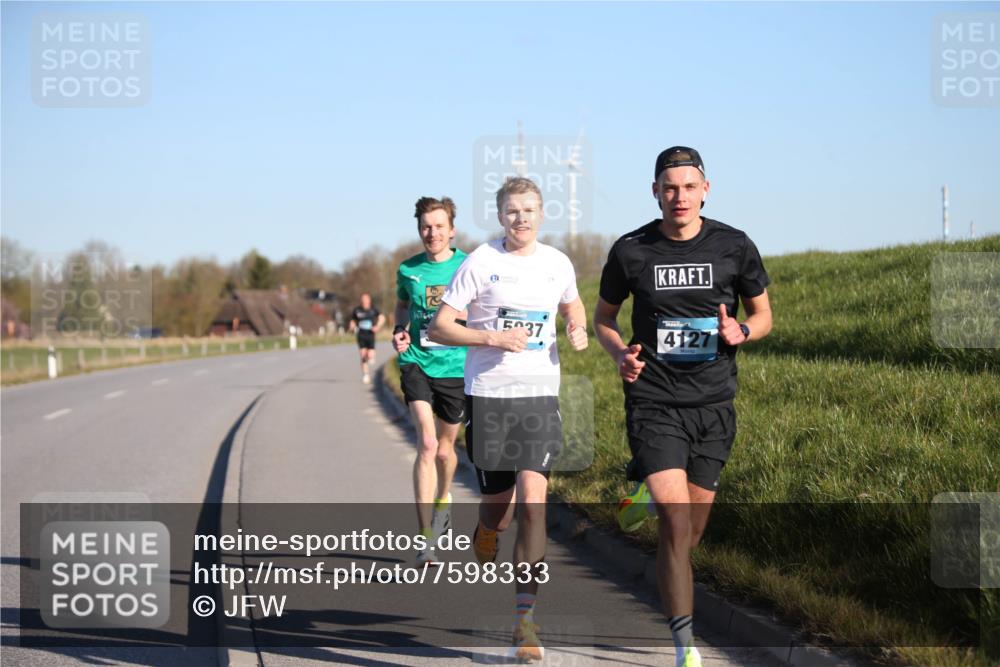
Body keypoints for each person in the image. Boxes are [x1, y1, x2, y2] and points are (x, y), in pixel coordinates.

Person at [593, 147, 772, 667]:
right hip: (654, 401)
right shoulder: (631, 251)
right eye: (669, 187)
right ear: (655, 191)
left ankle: (644, 491)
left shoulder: (734, 246)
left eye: (689, 186)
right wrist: (618, 354)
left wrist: (742, 331)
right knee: (676, 524)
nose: (680, 196)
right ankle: (685, 647)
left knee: (689, 534)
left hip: (714, 405)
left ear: (706, 190)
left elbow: (763, 316)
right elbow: (605, 318)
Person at [429, 176, 588, 662]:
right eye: (513, 211)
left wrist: (576, 325)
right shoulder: (481, 261)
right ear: (501, 217)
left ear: (542, 214)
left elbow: (572, 303)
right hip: (490, 397)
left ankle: (525, 620)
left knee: (534, 503)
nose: (522, 218)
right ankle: (487, 529)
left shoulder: (557, 262)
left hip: (539, 396)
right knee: (499, 505)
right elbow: (441, 324)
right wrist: (492, 339)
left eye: (530, 210)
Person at [392, 196, 468, 565]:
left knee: (444, 450)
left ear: (451, 231)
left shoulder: (469, 266)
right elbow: (403, 305)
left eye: (439, 226)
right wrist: (398, 329)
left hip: (456, 366)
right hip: (417, 361)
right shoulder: (408, 270)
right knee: (425, 441)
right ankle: (425, 540)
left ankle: (444, 495)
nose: (432, 233)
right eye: (425, 226)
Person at [349, 293, 385, 383]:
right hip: (361, 335)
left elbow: (382, 318)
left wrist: (378, 326)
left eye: (366, 299)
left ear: (369, 300)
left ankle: (371, 357)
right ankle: (366, 375)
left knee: (370, 355)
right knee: (362, 355)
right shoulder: (357, 310)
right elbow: (353, 320)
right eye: (363, 299)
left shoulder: (374, 309)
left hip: (370, 334)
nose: (364, 301)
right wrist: (352, 326)